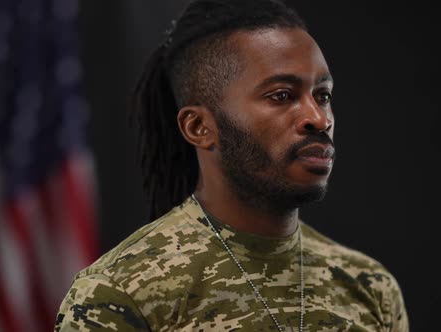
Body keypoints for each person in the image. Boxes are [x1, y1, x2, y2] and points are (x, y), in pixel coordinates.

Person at [55, 0, 408, 330]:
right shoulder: (118, 294)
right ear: (199, 127)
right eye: (282, 96)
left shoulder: (370, 286)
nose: (318, 118)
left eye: (323, 95)